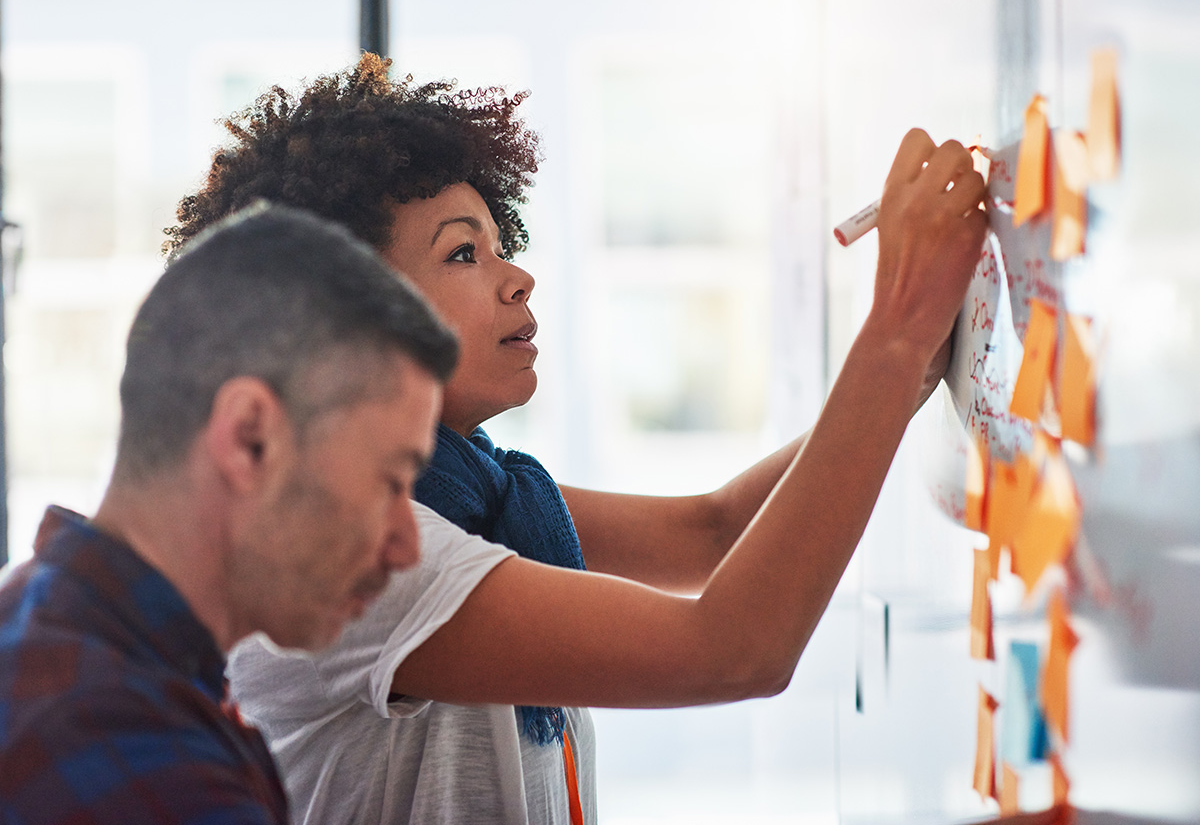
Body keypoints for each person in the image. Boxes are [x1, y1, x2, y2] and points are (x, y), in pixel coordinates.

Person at [165, 53, 987, 825]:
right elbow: (735, 650)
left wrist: (912, 366)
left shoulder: (480, 498)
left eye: (501, 245)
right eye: (463, 252)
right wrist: (895, 328)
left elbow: (714, 531)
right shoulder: (347, 553)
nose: (516, 276)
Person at [0, 204, 486, 824]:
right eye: (389, 483)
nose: (405, 546)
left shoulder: (70, 640)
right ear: (250, 439)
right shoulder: (132, 753)